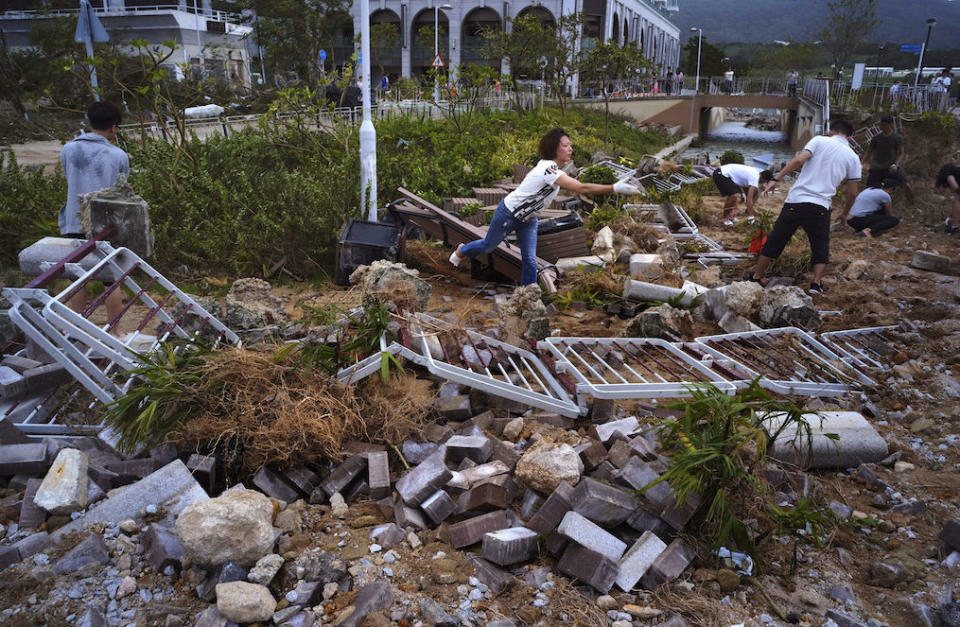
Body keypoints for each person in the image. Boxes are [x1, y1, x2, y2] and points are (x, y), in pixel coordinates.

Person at [449, 128, 642, 286]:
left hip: (528, 219)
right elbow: (581, 188)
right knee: (488, 245)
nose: (570, 148)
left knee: (530, 260)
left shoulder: (554, 170)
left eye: (570, 145)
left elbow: (578, 187)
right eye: (566, 145)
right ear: (554, 148)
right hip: (509, 212)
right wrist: (613, 187)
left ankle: (528, 296)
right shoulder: (547, 169)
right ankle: (461, 251)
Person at [744, 119, 861, 295]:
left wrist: (777, 179)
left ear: (831, 131)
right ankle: (816, 284)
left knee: (776, 239)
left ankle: (757, 276)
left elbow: (799, 160)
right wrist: (844, 214)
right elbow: (852, 193)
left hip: (796, 201)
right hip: (821, 206)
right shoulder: (853, 157)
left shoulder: (819, 140)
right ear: (850, 138)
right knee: (820, 244)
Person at [59, 101, 130, 328]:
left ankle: (81, 331)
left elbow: (68, 178)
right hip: (105, 223)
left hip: (74, 220)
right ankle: (115, 332)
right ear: (114, 127)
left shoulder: (68, 150)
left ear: (90, 122)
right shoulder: (118, 155)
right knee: (111, 279)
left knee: (76, 279)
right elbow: (121, 188)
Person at [861, 115, 913, 201]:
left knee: (906, 185)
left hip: (891, 167)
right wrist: (861, 163)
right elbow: (869, 151)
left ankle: (911, 203)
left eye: (884, 125)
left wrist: (896, 164)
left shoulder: (897, 138)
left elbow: (901, 153)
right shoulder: (876, 138)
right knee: (868, 189)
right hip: (876, 167)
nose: (882, 127)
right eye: (881, 124)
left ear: (891, 124)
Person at [935, 163, 960, 234]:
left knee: (958, 200)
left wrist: (957, 191)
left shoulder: (948, 171)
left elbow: (955, 187)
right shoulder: (955, 169)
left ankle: (954, 227)